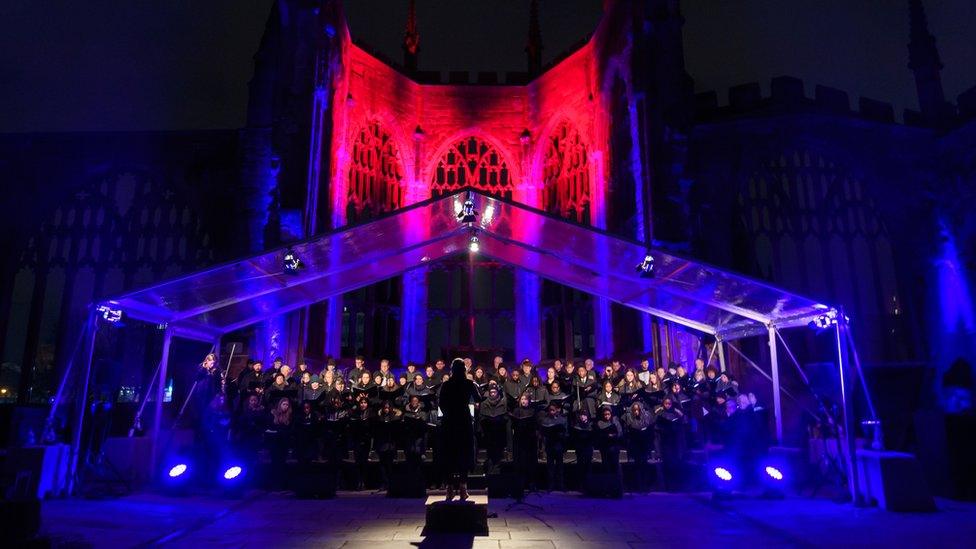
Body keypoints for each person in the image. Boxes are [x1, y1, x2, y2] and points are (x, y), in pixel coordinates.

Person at [437, 358, 479, 500]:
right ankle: (463, 488)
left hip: (449, 421)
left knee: (449, 453)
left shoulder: (446, 384)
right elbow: (478, 398)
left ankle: (449, 488)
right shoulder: (469, 383)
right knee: (464, 453)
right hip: (464, 420)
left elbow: (441, 403)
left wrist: (449, 412)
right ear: (464, 369)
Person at [622, 402, 654, 493]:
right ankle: (637, 486)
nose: (636, 412)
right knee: (637, 465)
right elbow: (627, 433)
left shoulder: (646, 418)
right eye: (634, 410)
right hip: (635, 446)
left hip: (644, 445)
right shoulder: (630, 419)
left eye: (638, 410)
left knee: (644, 464)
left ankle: (645, 486)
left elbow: (650, 432)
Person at [510, 393, 539, 494]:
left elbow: (536, 424)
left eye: (525, 399)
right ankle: (520, 486)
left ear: (529, 401)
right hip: (519, 440)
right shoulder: (516, 411)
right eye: (522, 399)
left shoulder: (532, 411)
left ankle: (531, 484)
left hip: (530, 440)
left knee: (530, 462)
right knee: (520, 463)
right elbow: (513, 425)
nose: (523, 401)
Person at [478, 385, 508, 474]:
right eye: (491, 392)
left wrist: (500, 420)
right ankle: (490, 472)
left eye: (495, 392)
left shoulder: (503, 403)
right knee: (490, 453)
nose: (493, 394)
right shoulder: (484, 404)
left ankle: (497, 472)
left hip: (499, 432)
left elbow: (506, 416)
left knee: (499, 454)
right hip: (489, 433)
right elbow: (481, 417)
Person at [538, 403, 567, 492]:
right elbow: (542, 433)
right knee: (550, 467)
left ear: (557, 410)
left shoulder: (562, 420)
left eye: (553, 410)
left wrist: (561, 435)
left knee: (560, 467)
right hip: (550, 445)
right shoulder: (545, 420)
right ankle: (550, 485)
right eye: (550, 410)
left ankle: (561, 485)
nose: (551, 412)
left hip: (559, 445)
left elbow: (566, 433)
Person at [594, 406, 622, 475]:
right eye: (605, 414)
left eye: (608, 414)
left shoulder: (615, 422)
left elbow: (620, 433)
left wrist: (614, 436)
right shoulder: (600, 423)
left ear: (611, 414)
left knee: (615, 466)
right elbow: (598, 436)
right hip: (604, 448)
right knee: (606, 466)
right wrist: (606, 436)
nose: (607, 416)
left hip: (614, 447)